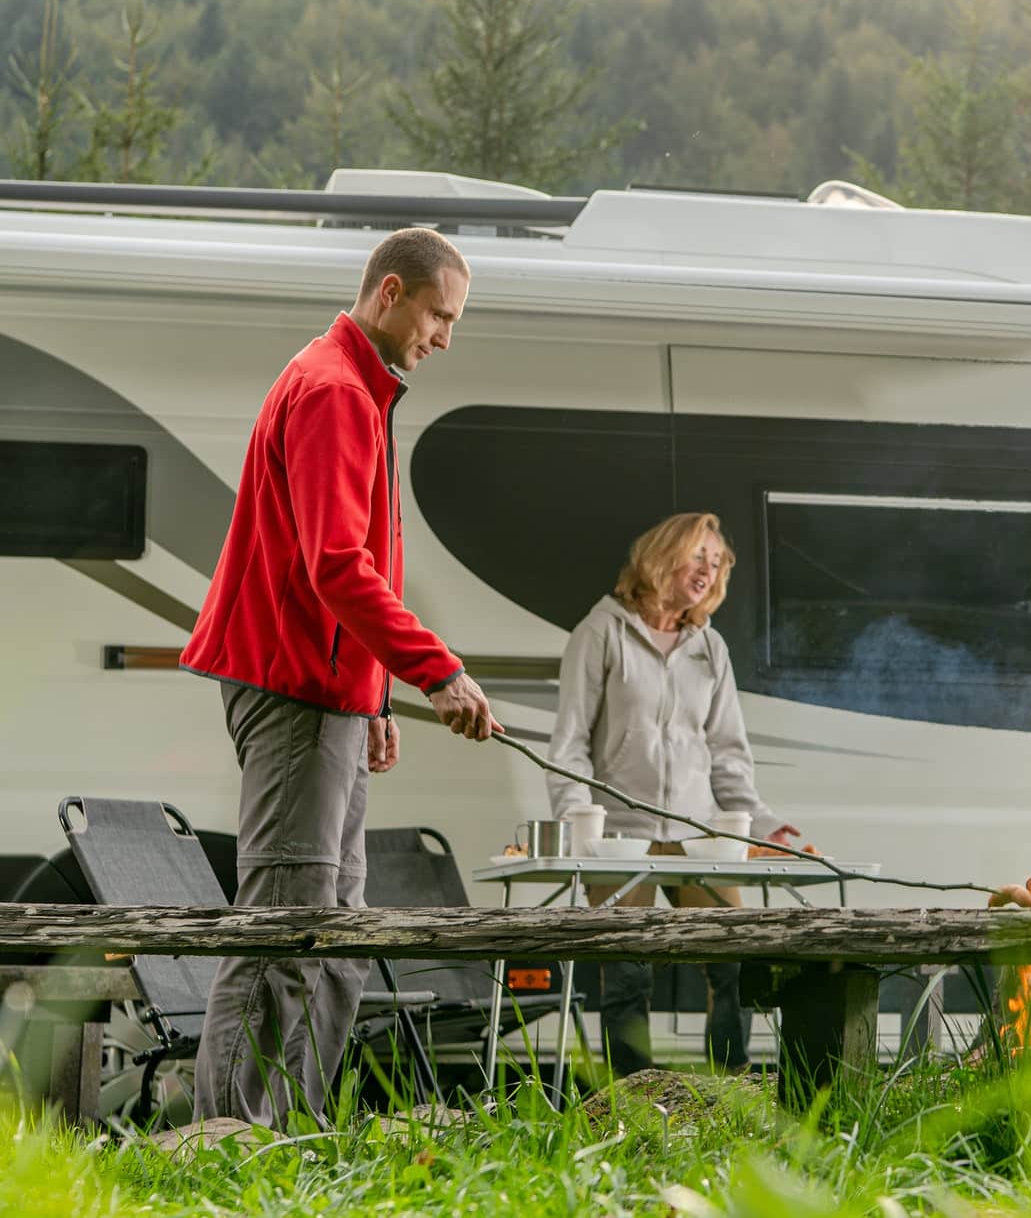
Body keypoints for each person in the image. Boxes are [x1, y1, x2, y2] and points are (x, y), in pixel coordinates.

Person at [179, 227, 501, 1126]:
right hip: (289, 692)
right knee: (285, 928)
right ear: (391, 292)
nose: (446, 336)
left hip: (326, 694)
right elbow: (334, 564)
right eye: (442, 315)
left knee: (339, 936)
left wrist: (373, 693)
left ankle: (298, 1135)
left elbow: (335, 571)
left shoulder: (352, 385)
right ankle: (229, 1140)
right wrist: (436, 671)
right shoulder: (332, 392)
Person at [547, 512, 799, 1074]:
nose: (709, 570)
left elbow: (729, 755)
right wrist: (576, 827)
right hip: (619, 838)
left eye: (717, 562)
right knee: (629, 974)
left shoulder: (710, 649)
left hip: (699, 835)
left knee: (732, 962)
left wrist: (762, 824)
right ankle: (630, 1103)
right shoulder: (602, 632)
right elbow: (568, 745)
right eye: (698, 556)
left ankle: (731, 1089)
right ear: (663, 556)